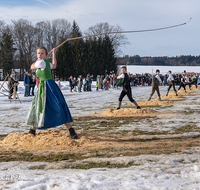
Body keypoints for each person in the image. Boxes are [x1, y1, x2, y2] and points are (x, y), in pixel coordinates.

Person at [26, 47, 77, 139]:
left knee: (41, 107)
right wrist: (53, 53)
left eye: (42, 53)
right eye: (38, 53)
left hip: (47, 87)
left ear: (45, 55)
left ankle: (33, 130)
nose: (40, 55)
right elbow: (54, 65)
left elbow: (31, 66)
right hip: (46, 87)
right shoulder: (45, 62)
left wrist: (39, 59)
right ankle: (70, 129)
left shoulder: (41, 62)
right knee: (42, 107)